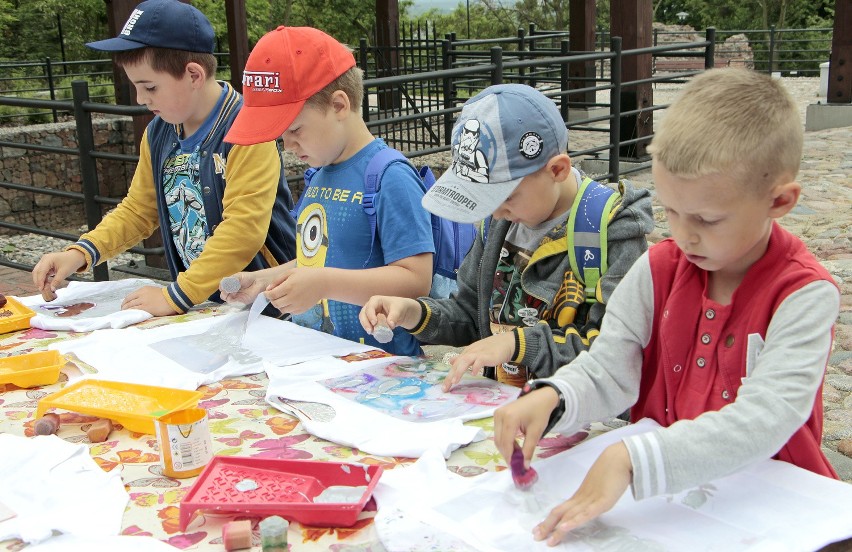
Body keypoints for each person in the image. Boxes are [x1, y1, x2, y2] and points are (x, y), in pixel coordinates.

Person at [493, 68, 840, 546]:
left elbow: (766, 417)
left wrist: (633, 459)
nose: (684, 234)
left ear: (779, 201)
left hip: (773, 509)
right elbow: (612, 366)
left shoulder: (802, 294)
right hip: (669, 509)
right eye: (672, 211)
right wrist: (555, 397)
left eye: (707, 218)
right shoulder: (659, 270)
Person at [360, 83, 654, 389]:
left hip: (575, 418)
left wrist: (516, 344)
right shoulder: (499, 223)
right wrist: (415, 312)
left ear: (557, 170)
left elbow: (615, 351)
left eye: (505, 197)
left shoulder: (611, 233)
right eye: (483, 199)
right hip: (501, 406)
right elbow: (471, 314)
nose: (496, 212)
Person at [31, 0, 297, 316]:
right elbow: (139, 209)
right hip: (201, 305)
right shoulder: (160, 132)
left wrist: (175, 296)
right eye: (136, 87)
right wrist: (80, 253)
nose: (142, 99)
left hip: (270, 306)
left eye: (150, 87)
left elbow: (242, 231)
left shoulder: (247, 131)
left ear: (194, 75)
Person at [220, 26, 434, 356]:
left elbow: (417, 279)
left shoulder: (390, 177)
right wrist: (265, 281)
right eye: (281, 135)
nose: (288, 144)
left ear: (338, 105)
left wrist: (323, 284)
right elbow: (321, 260)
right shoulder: (319, 174)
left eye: (294, 129)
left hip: (381, 366)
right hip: (320, 356)